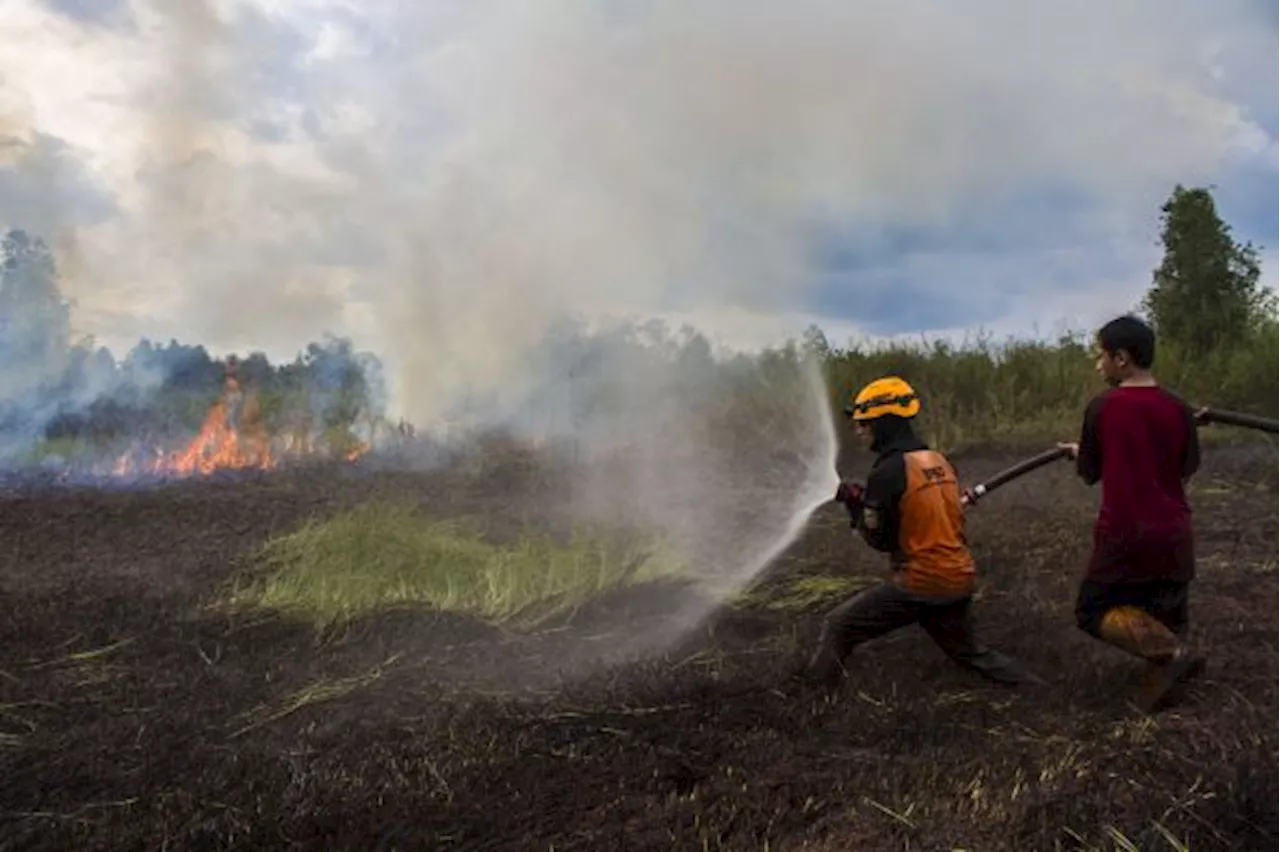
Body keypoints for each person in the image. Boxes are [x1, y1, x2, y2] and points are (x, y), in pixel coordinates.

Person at [804, 375, 1042, 690]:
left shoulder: (887, 472)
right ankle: (1038, 689)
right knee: (971, 654)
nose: (858, 431)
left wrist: (853, 505)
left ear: (884, 424)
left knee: (838, 626)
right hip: (957, 576)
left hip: (923, 583)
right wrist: (867, 500)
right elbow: (920, 511)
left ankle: (811, 697)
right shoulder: (937, 460)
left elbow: (881, 540)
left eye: (864, 423)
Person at [1057, 314, 1206, 713]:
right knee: (1165, 610)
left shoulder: (1103, 407)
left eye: (1101, 355)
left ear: (1121, 358)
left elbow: (1089, 472)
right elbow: (1186, 465)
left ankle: (1173, 655)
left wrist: (1082, 453)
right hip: (1175, 532)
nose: (1098, 364)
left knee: (1091, 611)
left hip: (1126, 533)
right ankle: (1171, 658)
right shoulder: (1178, 408)